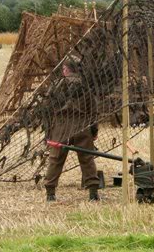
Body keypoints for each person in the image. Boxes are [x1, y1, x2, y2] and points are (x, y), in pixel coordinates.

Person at [43, 56, 100, 202]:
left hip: (61, 127)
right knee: (87, 159)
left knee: (55, 159)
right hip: (82, 126)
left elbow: (47, 111)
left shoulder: (56, 85)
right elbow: (93, 112)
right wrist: (93, 131)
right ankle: (93, 192)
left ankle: (50, 193)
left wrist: (48, 133)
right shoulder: (86, 86)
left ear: (66, 69)